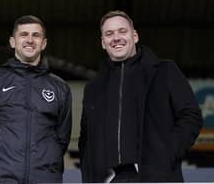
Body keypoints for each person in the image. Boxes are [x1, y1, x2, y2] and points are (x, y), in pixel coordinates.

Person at [78, 10, 203, 182]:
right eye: (109, 34)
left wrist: (167, 154)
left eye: (122, 31)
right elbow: (86, 139)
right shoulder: (93, 88)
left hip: (156, 177)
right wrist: (90, 176)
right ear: (103, 42)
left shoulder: (164, 72)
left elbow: (191, 116)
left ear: (135, 36)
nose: (116, 38)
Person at [0, 15, 72, 184]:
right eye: (24, 34)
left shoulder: (59, 87)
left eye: (36, 35)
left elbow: (62, 138)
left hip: (44, 179)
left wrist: (46, 166)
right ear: (12, 42)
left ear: (43, 43)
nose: (30, 40)